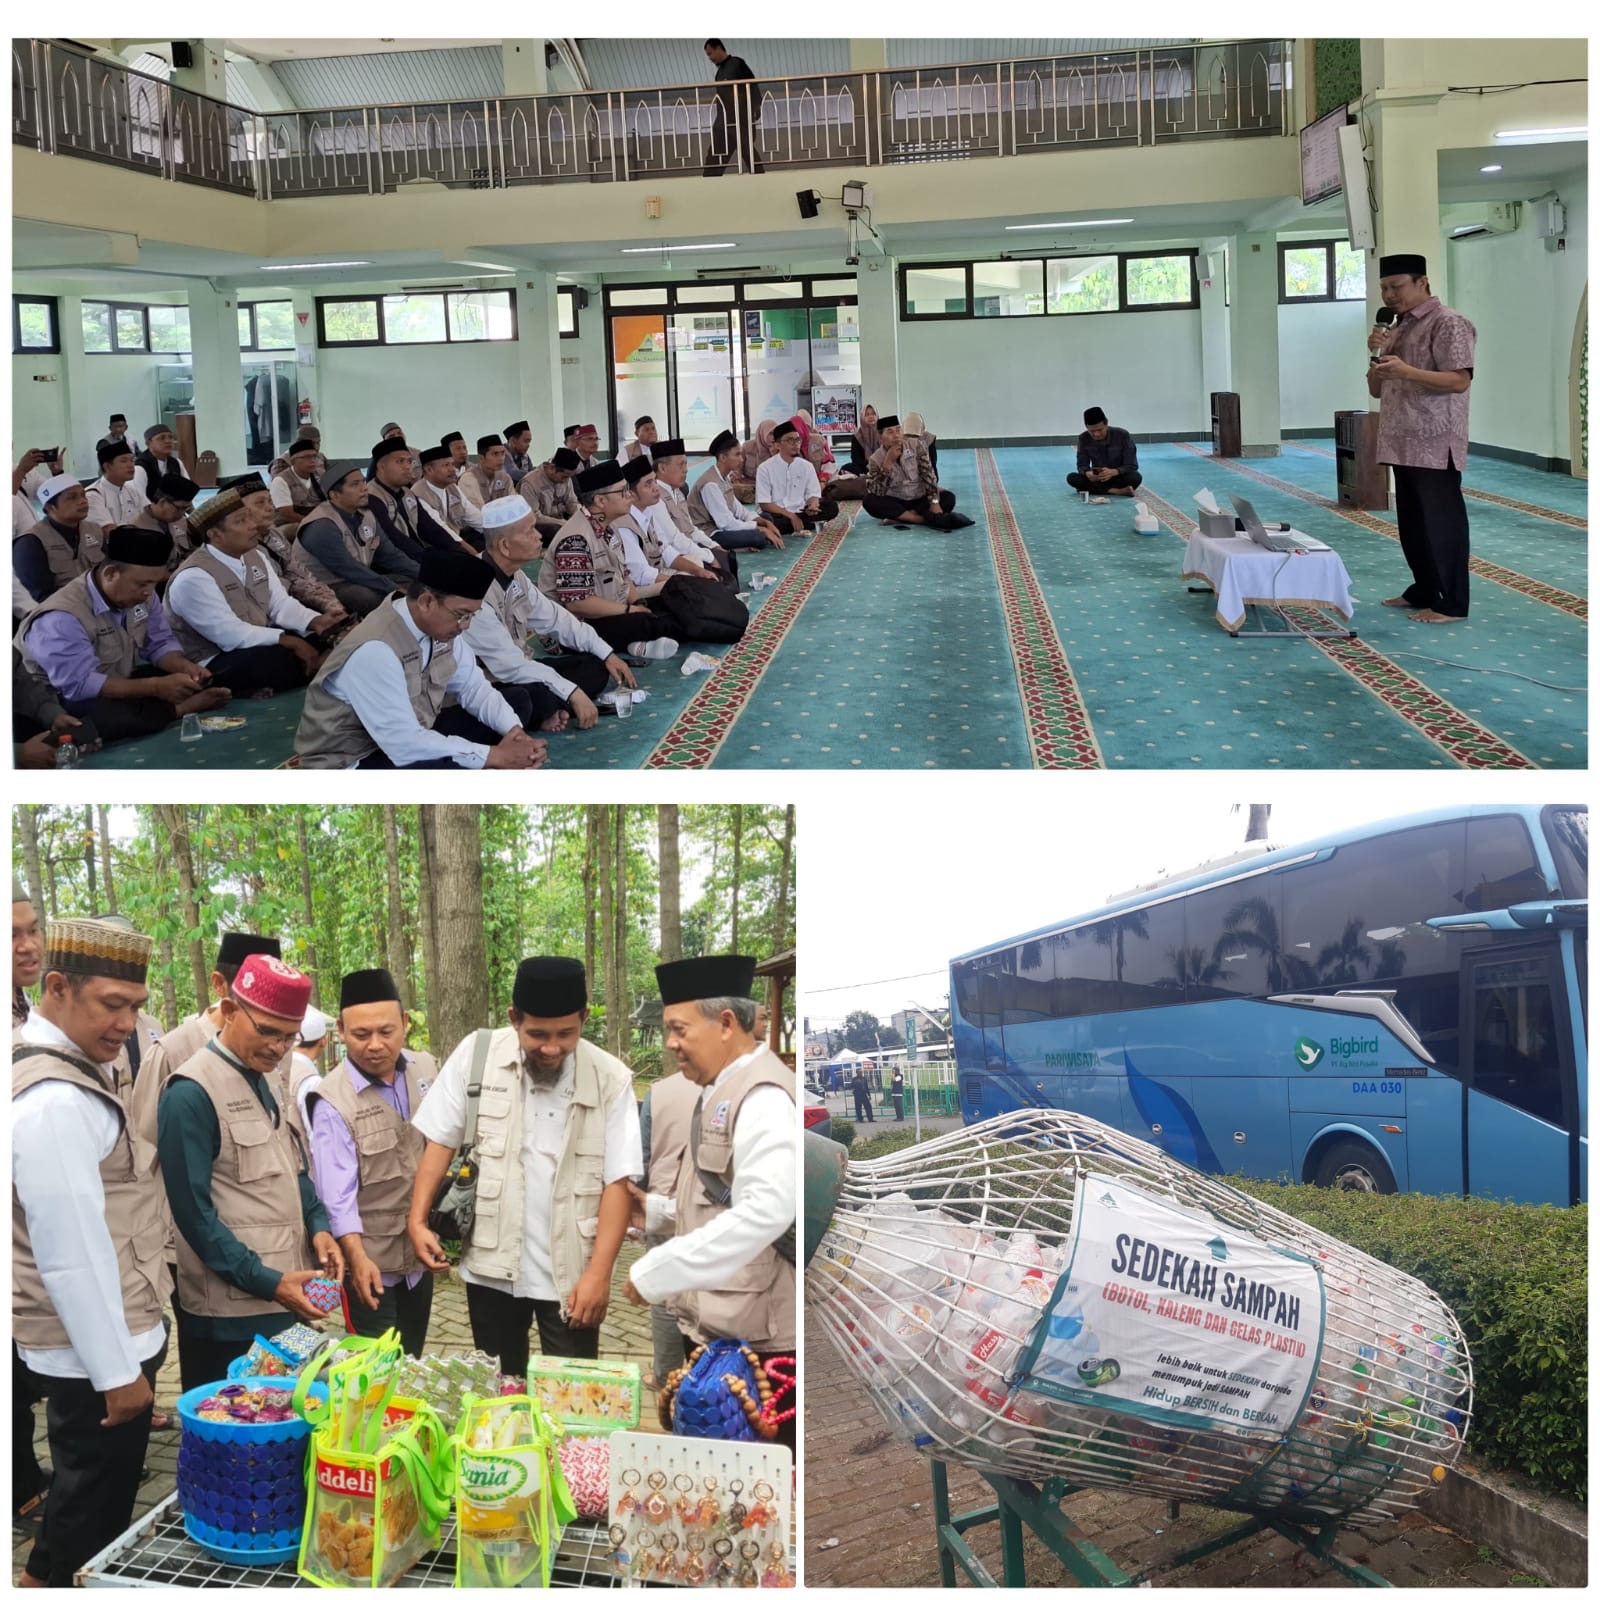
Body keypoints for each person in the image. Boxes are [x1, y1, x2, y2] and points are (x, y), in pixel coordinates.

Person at [13, 916, 170, 1590]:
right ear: (57, 988)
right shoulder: (53, 1098)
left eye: (135, 1007)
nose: (127, 1024)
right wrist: (119, 1374)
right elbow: (70, 1254)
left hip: (102, 1338)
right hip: (92, 1354)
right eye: (112, 1004)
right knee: (90, 1506)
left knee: (92, 1494)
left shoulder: (68, 1067)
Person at [407, 957, 643, 1374]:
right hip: (491, 1266)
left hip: (572, 1273)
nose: (552, 1047)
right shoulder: (476, 1055)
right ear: (514, 1018)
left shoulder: (611, 1079)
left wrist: (599, 1274)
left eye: (566, 1033)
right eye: (537, 1034)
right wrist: (417, 1220)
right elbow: (441, 1140)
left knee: (572, 1400)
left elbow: (618, 1182)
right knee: (500, 1391)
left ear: (585, 1018)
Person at [624, 956, 796, 1448]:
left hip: (761, 1345)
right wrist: (658, 1213)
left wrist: (658, 1271)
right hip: (723, 1331)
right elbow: (724, 1199)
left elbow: (766, 1208)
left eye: (679, 1029)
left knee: (756, 1492)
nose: (671, 1043)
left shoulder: (761, 1096)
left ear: (725, 1024)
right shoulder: (720, 1089)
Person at [157, 953, 343, 1388]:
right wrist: (268, 1281)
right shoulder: (190, 1093)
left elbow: (292, 1167)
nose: (278, 1048)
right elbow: (195, 1218)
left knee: (282, 1429)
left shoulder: (267, 1078)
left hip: (282, 1297)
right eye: (267, 1032)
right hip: (228, 1313)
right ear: (229, 1011)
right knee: (233, 1440)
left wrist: (318, 1226)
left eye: (289, 1037)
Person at [293, 546, 547, 770]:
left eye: (471, 615)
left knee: (518, 701)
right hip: (357, 759)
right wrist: (494, 756)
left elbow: (474, 689)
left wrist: (516, 735)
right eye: (462, 614)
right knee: (447, 772)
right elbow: (404, 745)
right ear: (426, 601)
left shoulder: (444, 628)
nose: (465, 625)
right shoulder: (375, 649)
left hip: (413, 732)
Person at [305, 969, 437, 1357]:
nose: (376, 1045)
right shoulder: (332, 1100)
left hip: (418, 1259)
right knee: (372, 1367)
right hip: (371, 1264)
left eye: (387, 1031)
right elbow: (336, 1196)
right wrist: (358, 1258)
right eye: (361, 1035)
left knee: (411, 1359)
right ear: (341, 1030)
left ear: (405, 1024)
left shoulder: (426, 1069)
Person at [16, 526, 230, 746]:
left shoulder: (141, 595)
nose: (149, 592)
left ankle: (166, 706)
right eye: (142, 584)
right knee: (104, 716)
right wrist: (156, 687)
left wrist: (185, 668)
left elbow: (158, 643)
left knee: (190, 675)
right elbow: (79, 685)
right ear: (110, 573)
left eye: (154, 583)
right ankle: (180, 710)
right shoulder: (61, 616)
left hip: (117, 679)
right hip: (59, 699)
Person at [1368, 251, 1477, 624]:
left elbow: (1459, 380)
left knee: (1441, 522)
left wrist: (1408, 371)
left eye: (1396, 286)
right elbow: (1376, 389)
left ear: (1422, 283)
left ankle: (1452, 602)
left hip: (1435, 440)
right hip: (1401, 438)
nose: (1389, 295)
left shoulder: (1449, 323)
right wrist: (1376, 354)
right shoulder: (1395, 328)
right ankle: (1425, 590)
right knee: (1413, 524)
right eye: (1384, 287)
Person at [468, 498, 632, 726]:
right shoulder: (473, 591)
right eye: (529, 531)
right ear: (505, 545)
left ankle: (552, 710)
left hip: (522, 668)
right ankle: (549, 711)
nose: (538, 536)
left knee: (593, 666)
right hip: (494, 681)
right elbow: (509, 667)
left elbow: (557, 619)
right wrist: (572, 691)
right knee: (529, 699)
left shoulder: (515, 575)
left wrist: (606, 653)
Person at [164, 488, 338, 695]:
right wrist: (290, 641)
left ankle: (318, 665)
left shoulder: (255, 556)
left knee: (329, 636)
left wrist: (316, 621)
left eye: (249, 519)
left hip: (260, 639)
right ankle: (323, 667)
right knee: (274, 662)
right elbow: (229, 634)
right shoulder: (193, 577)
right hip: (214, 657)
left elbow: (280, 604)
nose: (252, 525)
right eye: (240, 522)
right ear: (215, 535)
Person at [535, 461, 682, 657]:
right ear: (600, 501)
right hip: (575, 626)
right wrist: (629, 610)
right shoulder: (575, 541)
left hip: (611, 607)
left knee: (669, 602)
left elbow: (623, 574)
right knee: (657, 623)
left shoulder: (609, 527)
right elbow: (578, 604)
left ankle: (634, 644)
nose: (629, 496)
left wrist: (638, 602)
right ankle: (634, 642)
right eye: (622, 492)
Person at [637, 1062, 701, 1389]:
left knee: (664, 1295)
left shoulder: (658, 1092)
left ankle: (665, 1375)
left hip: (664, 1207)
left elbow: (642, 1157)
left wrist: (638, 1212)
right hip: (717, 1211)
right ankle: (707, 1379)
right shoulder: (751, 1088)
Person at [297, 460, 419, 617]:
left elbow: (391, 555)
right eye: (355, 484)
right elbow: (349, 569)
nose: (364, 488)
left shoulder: (366, 515)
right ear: (334, 495)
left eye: (363, 482)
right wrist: (393, 589)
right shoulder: (322, 525)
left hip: (358, 576)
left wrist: (425, 574)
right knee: (370, 597)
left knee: (416, 583)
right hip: (329, 584)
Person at [224, 472, 347, 625]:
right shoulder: (234, 548)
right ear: (238, 512)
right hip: (265, 620)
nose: (270, 508)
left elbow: (300, 576)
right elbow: (266, 601)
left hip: (294, 605)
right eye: (260, 503)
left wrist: (331, 605)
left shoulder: (274, 535)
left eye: (270, 501)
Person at [649, 440, 744, 585]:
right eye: (681, 464)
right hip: (676, 557)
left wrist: (713, 546)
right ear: (662, 468)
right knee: (714, 569)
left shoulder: (678, 492)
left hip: (690, 546)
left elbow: (691, 529)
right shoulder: (656, 499)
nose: (686, 469)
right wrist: (708, 556)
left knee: (725, 557)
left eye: (686, 464)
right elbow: (675, 540)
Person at [862, 414, 970, 529]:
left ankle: (902, 517)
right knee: (869, 501)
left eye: (898, 430)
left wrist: (934, 501)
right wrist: (887, 464)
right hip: (896, 500)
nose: (896, 435)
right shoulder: (875, 459)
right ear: (880, 437)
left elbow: (929, 475)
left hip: (919, 498)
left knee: (949, 498)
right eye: (890, 432)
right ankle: (919, 519)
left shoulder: (916, 445)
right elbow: (877, 491)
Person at [13, 475, 109, 604]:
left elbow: (109, 573)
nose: (82, 501)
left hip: (102, 605)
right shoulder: (31, 542)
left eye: (83, 495)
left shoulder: (95, 531)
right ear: (50, 508)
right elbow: (41, 597)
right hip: (61, 612)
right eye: (72, 497)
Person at [365, 438, 460, 563]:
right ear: (382, 467)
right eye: (400, 461)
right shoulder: (372, 497)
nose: (407, 467)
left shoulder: (406, 493)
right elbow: (395, 539)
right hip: (394, 565)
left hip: (418, 556)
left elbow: (430, 528)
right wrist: (431, 562)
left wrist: (459, 552)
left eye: (410, 461)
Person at [692, 432, 786, 551]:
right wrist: (760, 529)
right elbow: (726, 524)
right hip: (711, 533)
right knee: (759, 538)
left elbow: (739, 510)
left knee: (767, 518)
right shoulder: (710, 484)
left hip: (724, 525)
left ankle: (743, 542)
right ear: (723, 458)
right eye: (737, 455)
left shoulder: (724, 477)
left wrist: (762, 522)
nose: (741, 459)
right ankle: (737, 545)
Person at [757, 420, 839, 534]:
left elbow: (813, 494)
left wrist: (813, 504)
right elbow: (764, 504)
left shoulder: (806, 466)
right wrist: (791, 516)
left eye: (797, 439)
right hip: (777, 514)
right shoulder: (764, 468)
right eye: (790, 440)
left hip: (801, 511)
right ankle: (802, 524)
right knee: (766, 519)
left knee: (832, 507)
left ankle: (792, 525)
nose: (795, 444)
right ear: (777, 445)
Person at [702, 40, 763, 176]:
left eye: (710, 53)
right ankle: (708, 181)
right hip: (724, 123)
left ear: (718, 48)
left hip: (739, 120)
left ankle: (760, 177)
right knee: (716, 156)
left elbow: (752, 84)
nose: (710, 58)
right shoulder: (719, 73)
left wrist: (755, 107)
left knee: (746, 151)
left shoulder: (736, 63)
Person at [412, 444, 484, 548]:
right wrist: (476, 556)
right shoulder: (418, 494)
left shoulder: (452, 488)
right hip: (435, 548)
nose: (453, 469)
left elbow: (476, 518)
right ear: (429, 470)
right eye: (446, 465)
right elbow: (443, 533)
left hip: (457, 540)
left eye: (452, 464)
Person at [1067, 407, 1142, 497]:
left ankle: (1095, 489)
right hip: (1098, 478)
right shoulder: (1083, 438)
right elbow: (1082, 465)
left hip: (1118, 476)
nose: (1096, 434)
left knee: (1135, 477)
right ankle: (1117, 491)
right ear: (1087, 428)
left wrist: (1114, 472)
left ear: (1106, 424)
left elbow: (1132, 465)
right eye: (1092, 431)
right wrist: (1088, 473)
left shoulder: (1122, 435)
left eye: (1099, 430)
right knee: (1072, 478)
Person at [85, 440, 149, 529]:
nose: (131, 465)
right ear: (107, 466)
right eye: (124, 461)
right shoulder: (93, 495)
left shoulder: (132, 490)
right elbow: (109, 531)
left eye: (132, 460)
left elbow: (150, 514)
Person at [519, 446, 583, 534]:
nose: (565, 480)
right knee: (558, 530)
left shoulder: (566, 478)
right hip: (539, 525)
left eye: (568, 477)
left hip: (561, 520)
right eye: (564, 476)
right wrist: (562, 523)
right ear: (552, 468)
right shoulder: (530, 483)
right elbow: (533, 516)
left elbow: (572, 502)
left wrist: (578, 516)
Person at [269, 438, 327, 528]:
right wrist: (313, 524)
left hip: (318, 522)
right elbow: (287, 514)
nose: (312, 460)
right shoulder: (281, 480)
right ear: (292, 461)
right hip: (288, 525)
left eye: (314, 456)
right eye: (307, 457)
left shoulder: (320, 475)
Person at [461, 435, 515, 512]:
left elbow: (514, 504)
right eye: (495, 454)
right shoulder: (468, 478)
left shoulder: (504, 477)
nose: (501, 458)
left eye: (503, 453)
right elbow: (479, 511)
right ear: (481, 458)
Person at [133, 424, 185, 501]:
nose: (168, 441)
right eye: (162, 438)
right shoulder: (140, 467)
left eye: (170, 437)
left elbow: (186, 491)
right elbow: (139, 499)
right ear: (148, 443)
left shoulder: (176, 462)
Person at [846, 403, 880, 476]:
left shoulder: (883, 432)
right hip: (864, 467)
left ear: (877, 416)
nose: (871, 417)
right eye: (867, 414)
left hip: (882, 465)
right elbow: (855, 457)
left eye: (873, 414)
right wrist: (869, 467)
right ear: (862, 417)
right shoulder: (857, 436)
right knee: (847, 467)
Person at [502, 422, 534, 487]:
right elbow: (512, 473)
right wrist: (539, 474)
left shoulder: (525, 456)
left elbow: (531, 471)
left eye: (529, 442)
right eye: (526, 441)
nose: (528, 445)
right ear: (513, 441)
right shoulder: (501, 453)